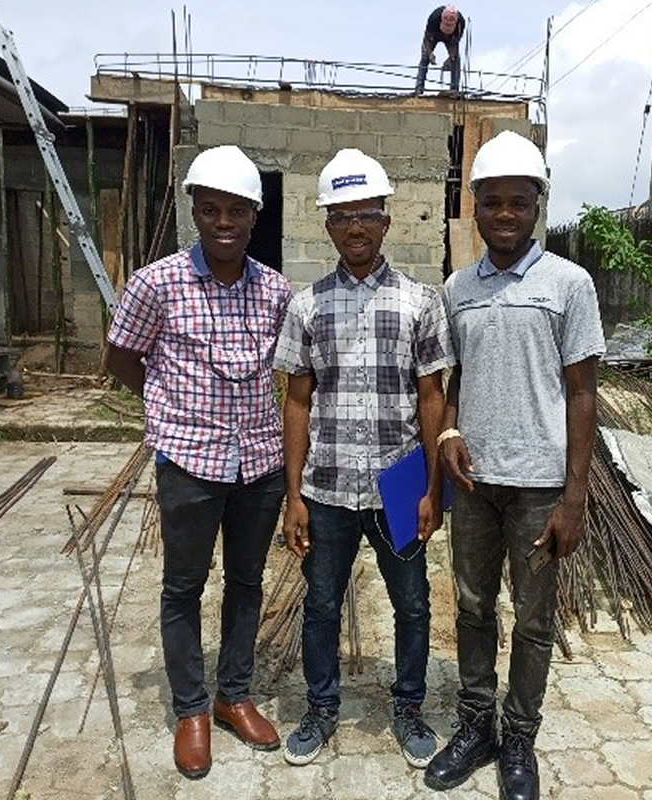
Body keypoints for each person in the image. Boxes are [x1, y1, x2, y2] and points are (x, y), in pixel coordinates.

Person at [424, 130, 605, 800]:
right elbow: (455, 379)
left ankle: (519, 737)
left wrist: (574, 498)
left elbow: (582, 392)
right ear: (474, 207)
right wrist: (447, 436)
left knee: (532, 619)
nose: (504, 213)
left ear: (538, 207)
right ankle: (477, 728)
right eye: (491, 202)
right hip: (474, 484)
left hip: (539, 486)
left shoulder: (569, 284)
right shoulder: (458, 287)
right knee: (472, 608)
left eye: (518, 202)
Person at [106, 144, 291, 779]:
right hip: (188, 462)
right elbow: (121, 358)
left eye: (236, 212)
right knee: (183, 586)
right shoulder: (157, 283)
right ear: (194, 211)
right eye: (210, 210)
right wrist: (167, 410)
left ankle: (232, 694)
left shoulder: (275, 291)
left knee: (246, 582)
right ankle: (191, 710)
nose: (223, 223)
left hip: (260, 464)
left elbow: (291, 373)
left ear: (254, 216)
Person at [274, 148, 456, 769]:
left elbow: (432, 397)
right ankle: (321, 708)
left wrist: (433, 486)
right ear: (327, 224)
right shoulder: (307, 305)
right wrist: (293, 494)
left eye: (367, 214)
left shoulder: (419, 301)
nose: (356, 227)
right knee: (321, 603)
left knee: (412, 602)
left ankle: (408, 707)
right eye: (343, 215)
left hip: (402, 480)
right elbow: (296, 401)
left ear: (386, 220)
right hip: (326, 484)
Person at [415, 5, 465, 94]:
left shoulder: (461, 23)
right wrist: (430, 53)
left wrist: (451, 58)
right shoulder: (434, 18)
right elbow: (426, 38)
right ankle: (419, 88)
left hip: (451, 37)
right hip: (434, 34)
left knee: (456, 60)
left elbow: (456, 42)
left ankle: (454, 89)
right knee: (425, 57)